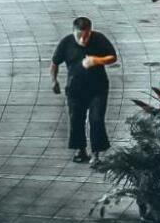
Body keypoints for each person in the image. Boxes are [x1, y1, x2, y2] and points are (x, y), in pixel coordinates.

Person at [50, 17, 118, 164]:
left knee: (96, 119)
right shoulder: (66, 43)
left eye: (86, 35)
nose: (83, 39)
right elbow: (55, 62)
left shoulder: (99, 39)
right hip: (75, 89)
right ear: (73, 32)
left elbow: (113, 57)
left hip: (97, 88)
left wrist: (96, 60)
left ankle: (96, 154)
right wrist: (54, 81)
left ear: (90, 31)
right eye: (79, 36)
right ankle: (80, 149)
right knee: (76, 119)